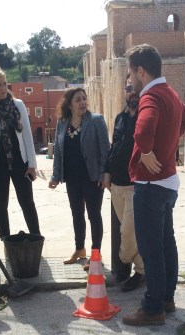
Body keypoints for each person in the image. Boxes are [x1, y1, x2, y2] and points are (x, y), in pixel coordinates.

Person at [121, 44, 185, 326]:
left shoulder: (150, 95)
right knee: (166, 243)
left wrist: (149, 150)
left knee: (151, 249)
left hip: (151, 185)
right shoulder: (171, 93)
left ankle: (152, 309)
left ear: (141, 71)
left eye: (131, 73)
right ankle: (166, 298)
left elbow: (142, 129)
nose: (130, 80)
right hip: (169, 183)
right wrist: (167, 144)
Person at [0, 66, 40, 240]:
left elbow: (27, 135)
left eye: (5, 84)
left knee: (27, 203)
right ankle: (6, 241)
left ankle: (36, 239)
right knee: (0, 205)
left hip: (20, 162)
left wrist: (32, 164)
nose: (3, 88)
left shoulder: (18, 105)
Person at [49, 87, 110, 270]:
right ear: (69, 104)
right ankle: (79, 249)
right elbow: (59, 152)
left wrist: (103, 174)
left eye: (84, 98)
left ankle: (95, 253)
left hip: (92, 178)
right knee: (77, 214)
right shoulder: (62, 123)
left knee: (94, 215)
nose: (82, 102)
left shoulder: (96, 121)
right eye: (78, 100)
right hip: (72, 178)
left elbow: (105, 150)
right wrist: (55, 175)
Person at [102, 79, 145, 292]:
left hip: (135, 184)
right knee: (127, 230)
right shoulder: (119, 118)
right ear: (124, 92)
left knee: (128, 232)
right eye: (128, 88)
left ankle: (123, 260)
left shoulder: (146, 117)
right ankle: (140, 272)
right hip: (116, 184)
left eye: (135, 89)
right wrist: (107, 172)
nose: (132, 93)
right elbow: (114, 147)